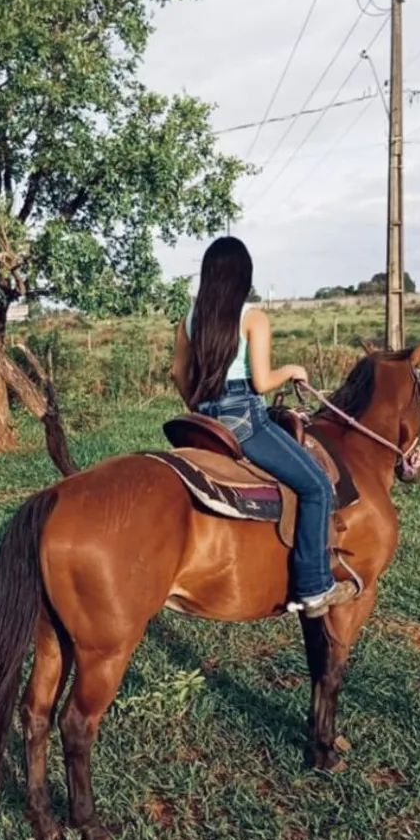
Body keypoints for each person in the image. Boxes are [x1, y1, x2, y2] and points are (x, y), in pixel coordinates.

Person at [170, 236, 357, 617]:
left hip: (205, 418)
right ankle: (314, 586)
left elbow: (177, 372)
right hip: (244, 419)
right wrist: (292, 370)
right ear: (243, 276)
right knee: (316, 485)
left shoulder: (189, 320)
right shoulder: (252, 318)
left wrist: (197, 403)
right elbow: (260, 383)